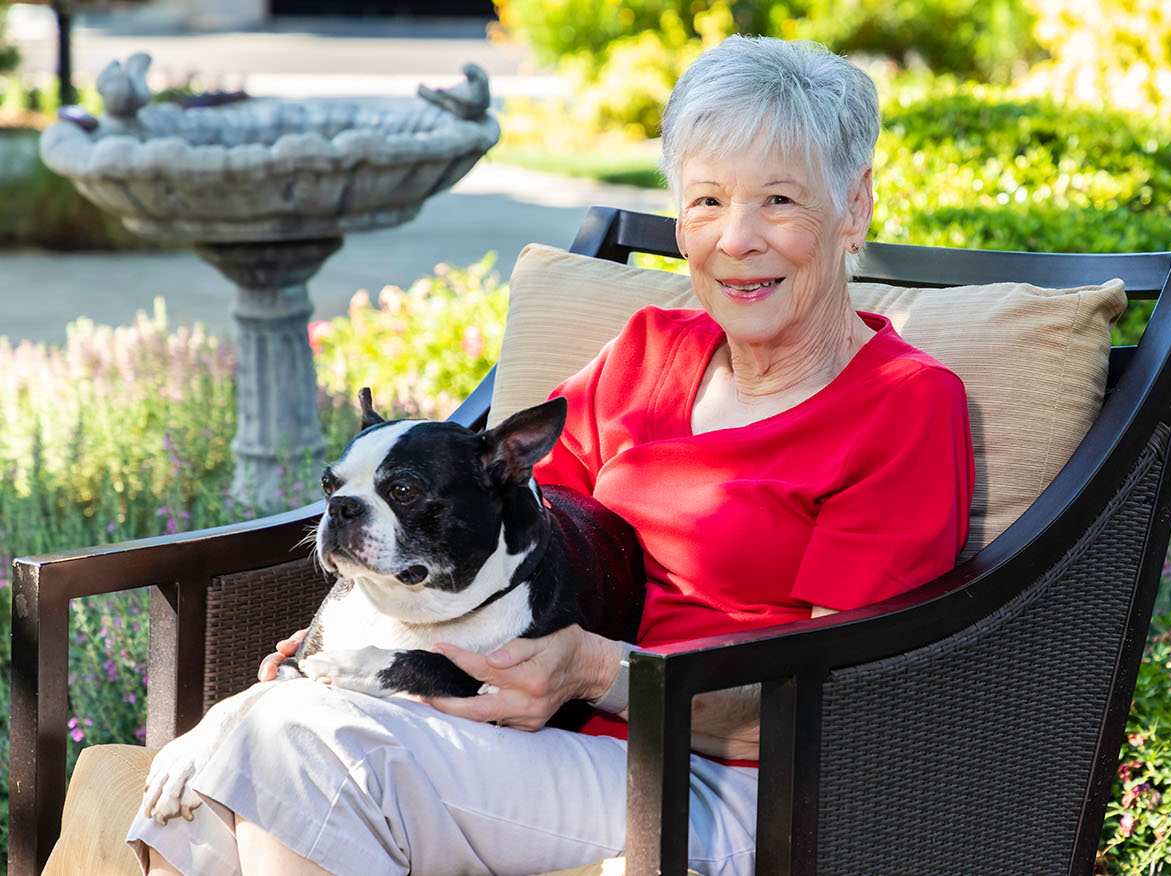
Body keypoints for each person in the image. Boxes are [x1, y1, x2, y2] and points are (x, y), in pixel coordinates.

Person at [127, 35, 973, 876]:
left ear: (855, 207)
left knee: (276, 750)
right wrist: (354, 636)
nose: (737, 239)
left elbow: (841, 706)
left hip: (720, 783)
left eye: (779, 201)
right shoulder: (646, 353)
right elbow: (487, 542)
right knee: (216, 787)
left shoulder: (901, 405)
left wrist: (595, 670)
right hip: (533, 742)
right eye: (707, 201)